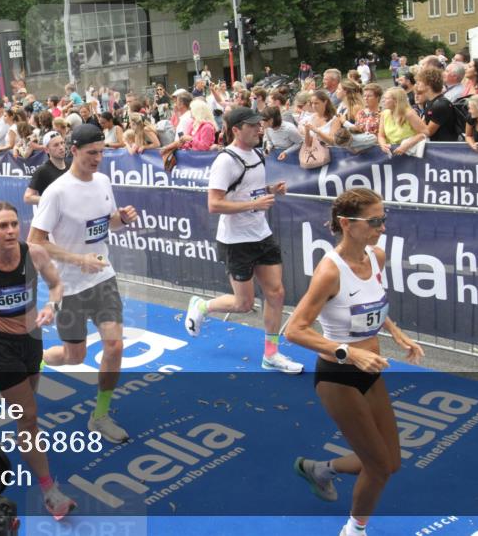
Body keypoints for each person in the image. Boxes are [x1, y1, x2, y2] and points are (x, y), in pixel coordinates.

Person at [286, 188, 424, 536]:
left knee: (391, 462)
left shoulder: (377, 256)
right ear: (347, 224)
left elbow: (372, 303)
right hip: (338, 376)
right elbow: (295, 330)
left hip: (370, 369)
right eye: (375, 221)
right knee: (377, 469)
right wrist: (348, 351)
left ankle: (321, 470)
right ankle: (353, 531)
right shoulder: (330, 272)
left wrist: (395, 331)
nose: (382, 227)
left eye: (384, 219)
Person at [0, 202, 77, 519]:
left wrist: (51, 305)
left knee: (29, 399)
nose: (10, 231)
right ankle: (50, 492)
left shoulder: (34, 254)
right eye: (2, 226)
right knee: (29, 418)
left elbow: (56, 283)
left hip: (31, 341)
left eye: (14, 224)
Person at [28, 123, 139, 443]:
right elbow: (36, 241)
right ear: (73, 150)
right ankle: (38, 359)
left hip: (103, 277)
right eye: (91, 153)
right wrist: (79, 260)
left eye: (102, 153)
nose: (98, 159)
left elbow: (107, 223)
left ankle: (100, 415)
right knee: (74, 356)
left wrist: (123, 219)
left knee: (114, 345)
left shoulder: (103, 181)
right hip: (69, 285)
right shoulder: (57, 192)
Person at [184, 107, 303, 374]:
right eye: (252, 126)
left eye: (259, 125)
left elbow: (249, 191)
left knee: (276, 293)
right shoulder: (225, 161)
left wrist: (271, 191)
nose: (259, 129)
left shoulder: (258, 154)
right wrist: (254, 202)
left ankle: (271, 354)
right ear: (236, 130)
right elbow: (214, 204)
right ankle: (203, 305)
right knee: (244, 304)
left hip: (261, 234)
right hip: (236, 241)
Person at [377, 87, 429, 156]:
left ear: (396, 101)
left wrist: (407, 145)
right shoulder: (384, 114)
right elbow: (381, 135)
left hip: (411, 154)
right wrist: (383, 144)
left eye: (386, 98)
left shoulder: (409, 114)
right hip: (394, 154)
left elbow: (425, 132)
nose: (383, 101)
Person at [24, 132, 69, 205]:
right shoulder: (42, 170)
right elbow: (27, 197)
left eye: (62, 143)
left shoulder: (71, 166)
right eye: (56, 145)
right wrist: (52, 200)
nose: (61, 147)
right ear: (46, 150)